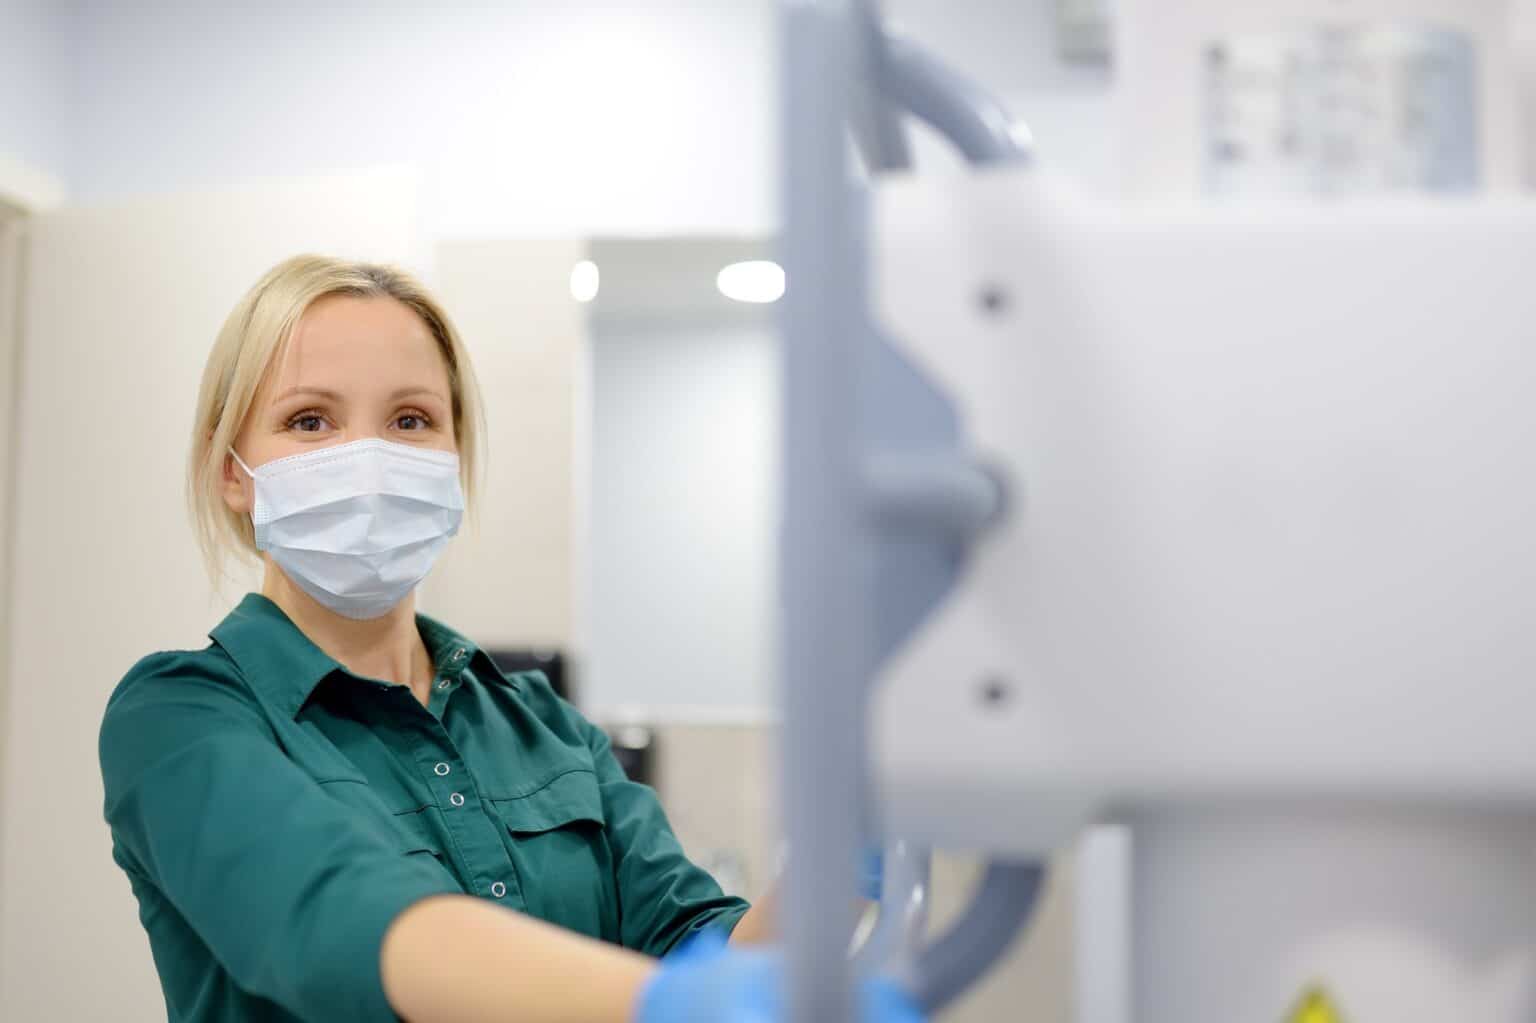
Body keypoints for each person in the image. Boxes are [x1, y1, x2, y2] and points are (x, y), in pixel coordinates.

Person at [96, 255, 921, 1023]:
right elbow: (342, 918)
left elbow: (702, 956)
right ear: (233, 470)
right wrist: (663, 1004)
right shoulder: (180, 717)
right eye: (310, 420)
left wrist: (845, 850)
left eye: (411, 418)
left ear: (455, 456)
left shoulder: (541, 723)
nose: (370, 458)